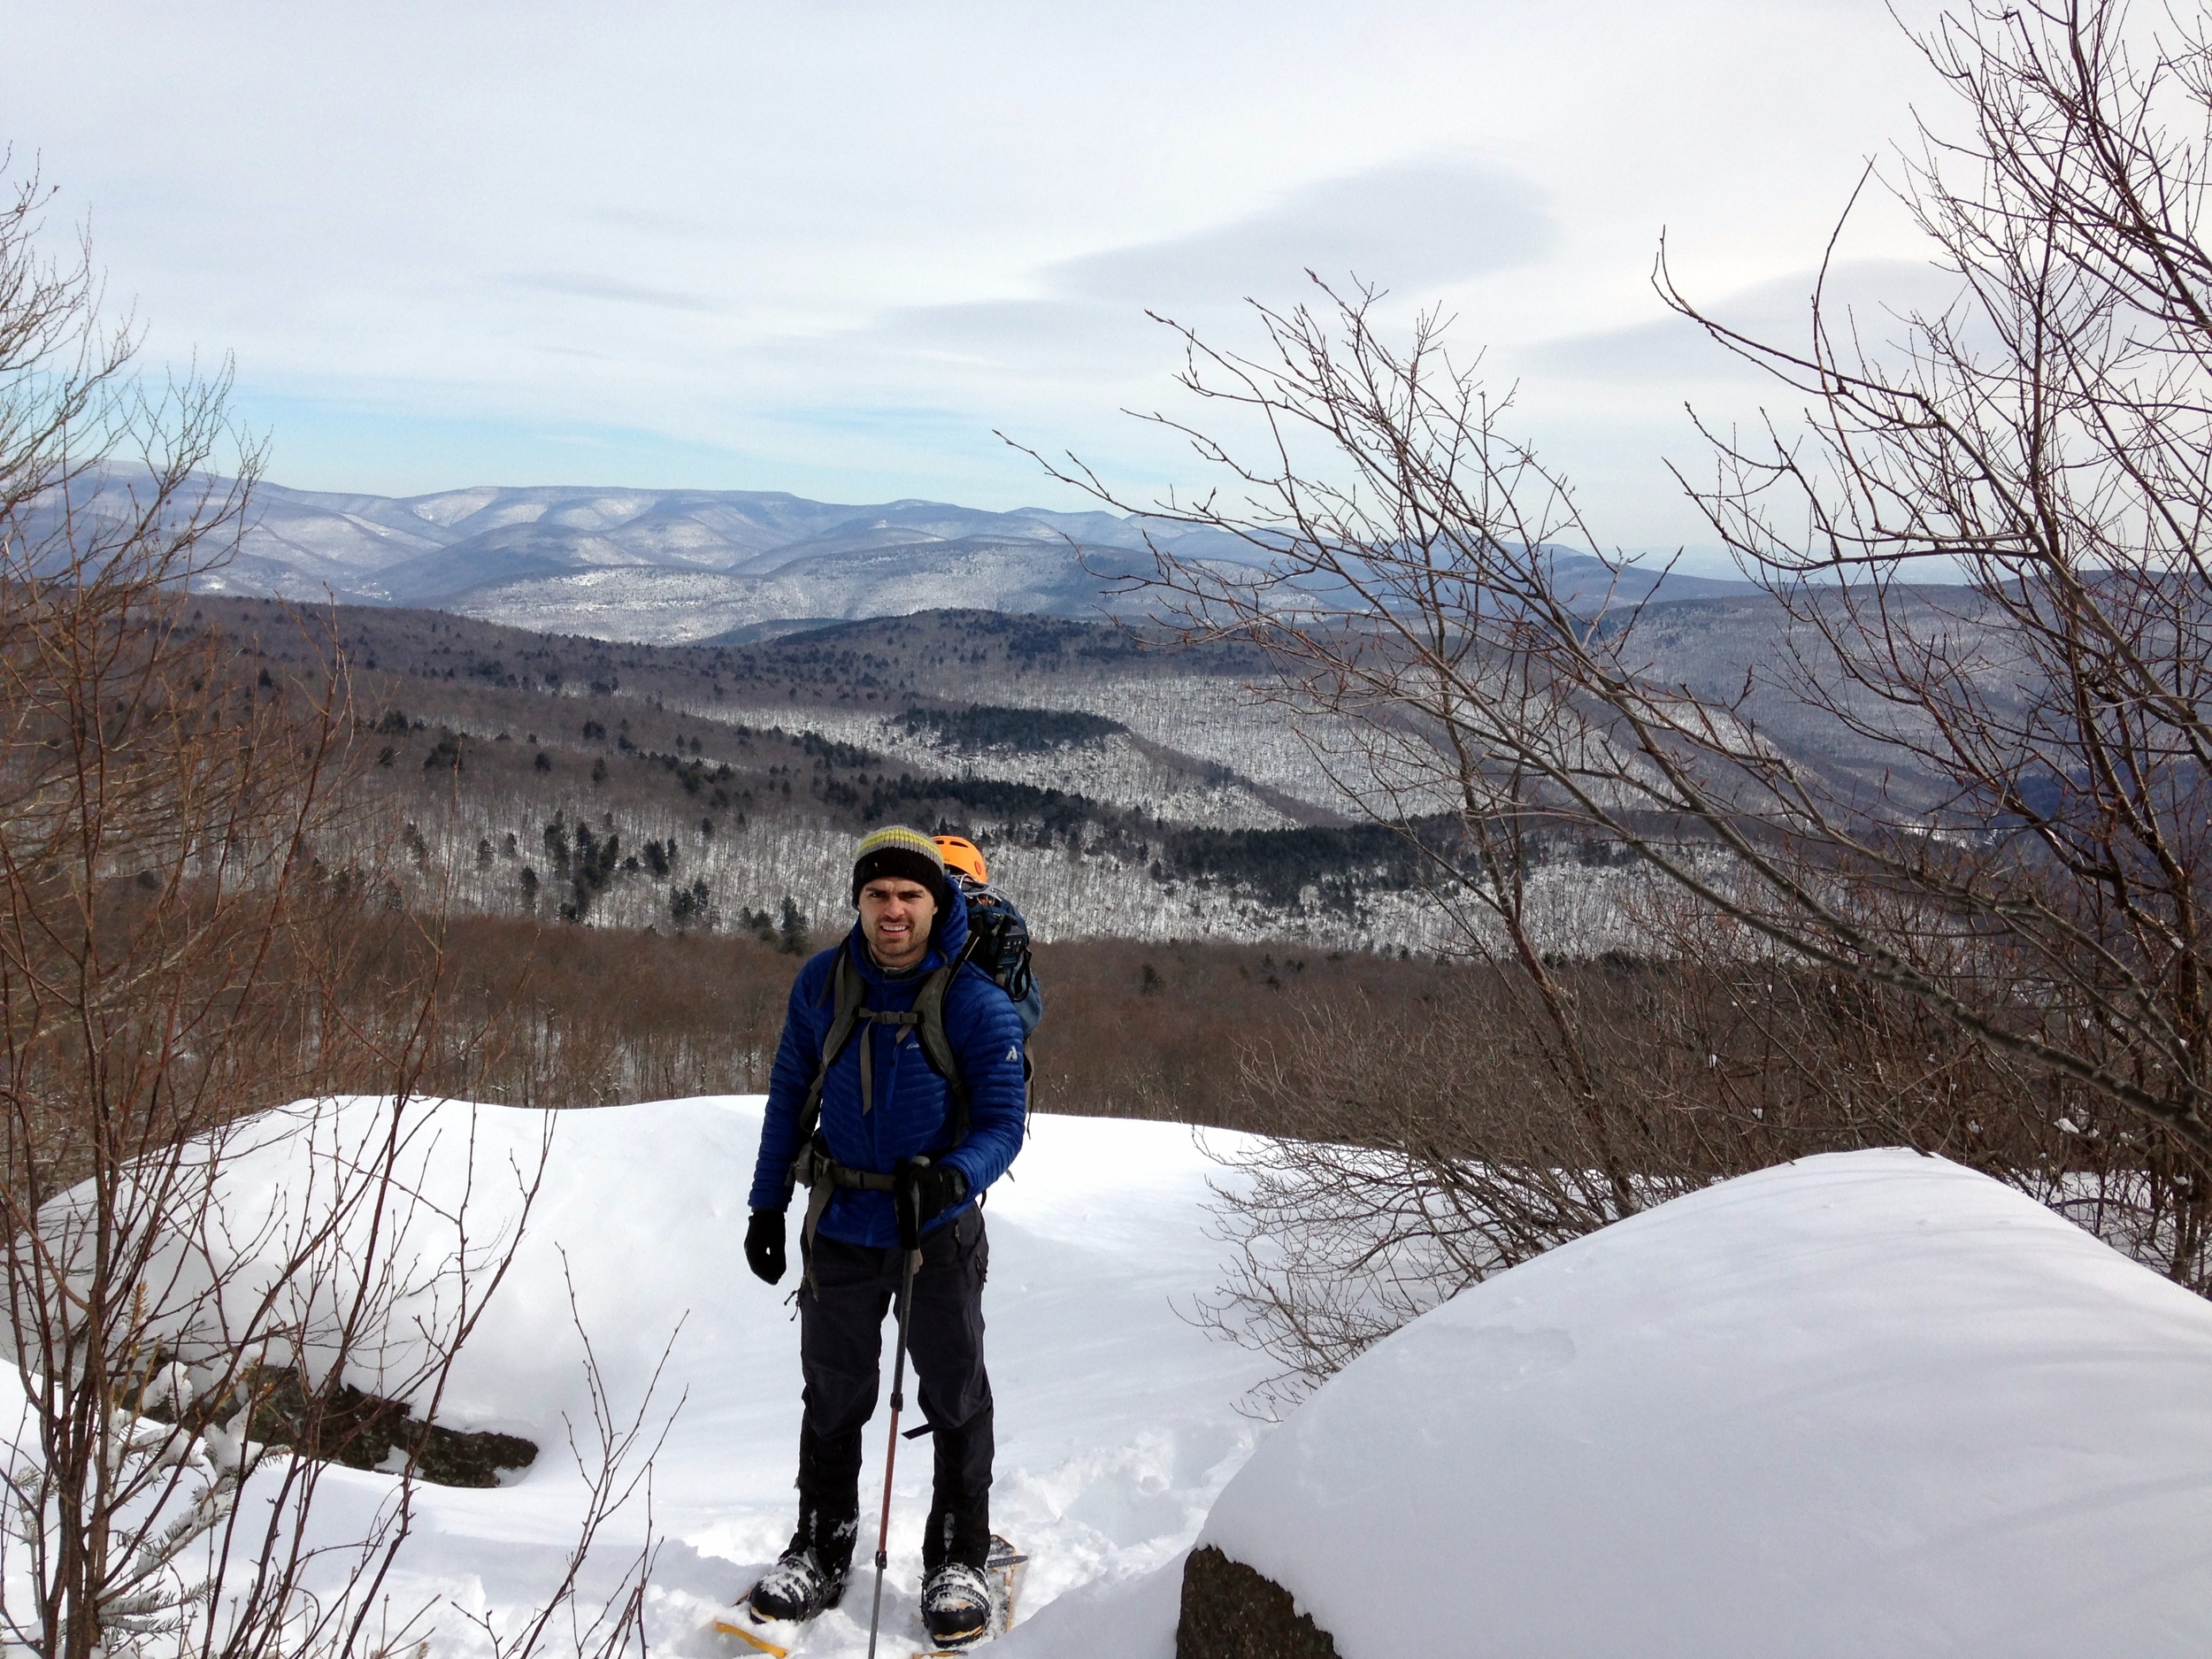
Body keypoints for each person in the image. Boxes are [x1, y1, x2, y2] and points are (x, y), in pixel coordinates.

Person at [741, 826, 1028, 1647]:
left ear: (938, 904)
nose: (893, 910)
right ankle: (823, 1544)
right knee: (833, 1389)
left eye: (910, 896)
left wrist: (950, 1176)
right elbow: (789, 1093)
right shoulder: (823, 984)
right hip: (840, 1221)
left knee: (953, 1391)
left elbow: (1006, 1122)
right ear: (858, 902)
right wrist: (766, 1206)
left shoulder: (975, 999)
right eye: (878, 895)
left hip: (934, 1228)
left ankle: (957, 1556)